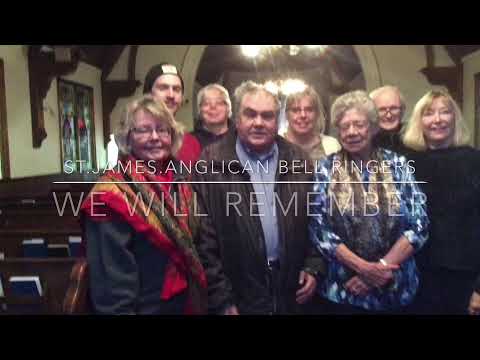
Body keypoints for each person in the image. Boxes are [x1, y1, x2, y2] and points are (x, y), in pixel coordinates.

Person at [193, 81, 321, 315]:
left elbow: (315, 219)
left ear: (277, 120)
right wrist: (221, 298)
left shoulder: (299, 160)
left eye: (267, 116)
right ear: (237, 118)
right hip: (239, 296)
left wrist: (313, 266)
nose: (259, 123)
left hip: (292, 293)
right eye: (250, 114)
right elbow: (203, 238)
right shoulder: (210, 163)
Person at [80, 95, 207, 314]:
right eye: (143, 130)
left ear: (173, 135)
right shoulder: (110, 194)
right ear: (127, 138)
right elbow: (112, 286)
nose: (155, 137)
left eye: (162, 129)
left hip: (188, 303)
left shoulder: (183, 180)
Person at [309, 90, 429, 314]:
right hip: (344, 290)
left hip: (395, 287)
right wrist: (363, 268)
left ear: (373, 127)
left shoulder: (397, 164)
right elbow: (318, 229)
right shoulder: (326, 168)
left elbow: (419, 224)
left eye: (359, 124)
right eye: (345, 126)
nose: (352, 132)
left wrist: (380, 269)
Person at [403, 90, 480, 315]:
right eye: (429, 113)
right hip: (415, 275)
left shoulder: (475, 161)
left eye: (445, 112)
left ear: (455, 118)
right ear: (419, 121)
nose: (437, 119)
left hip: (464, 277)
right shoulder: (406, 163)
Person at [143, 63, 201, 166]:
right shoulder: (136, 138)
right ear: (148, 94)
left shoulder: (191, 143)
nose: (171, 95)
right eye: (163, 88)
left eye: (176, 89)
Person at [282, 85, 340, 160]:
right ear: (287, 114)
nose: (303, 115)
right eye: (296, 110)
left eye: (309, 110)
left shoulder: (333, 145)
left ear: (317, 113)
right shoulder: (275, 146)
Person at [191, 83, 234, 149]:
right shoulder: (189, 141)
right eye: (206, 103)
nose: (213, 106)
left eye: (219, 103)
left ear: (228, 108)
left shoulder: (241, 139)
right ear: (199, 110)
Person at [370, 85, 408, 154]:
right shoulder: (365, 142)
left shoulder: (414, 136)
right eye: (382, 110)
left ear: (402, 110)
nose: (389, 115)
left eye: (394, 108)